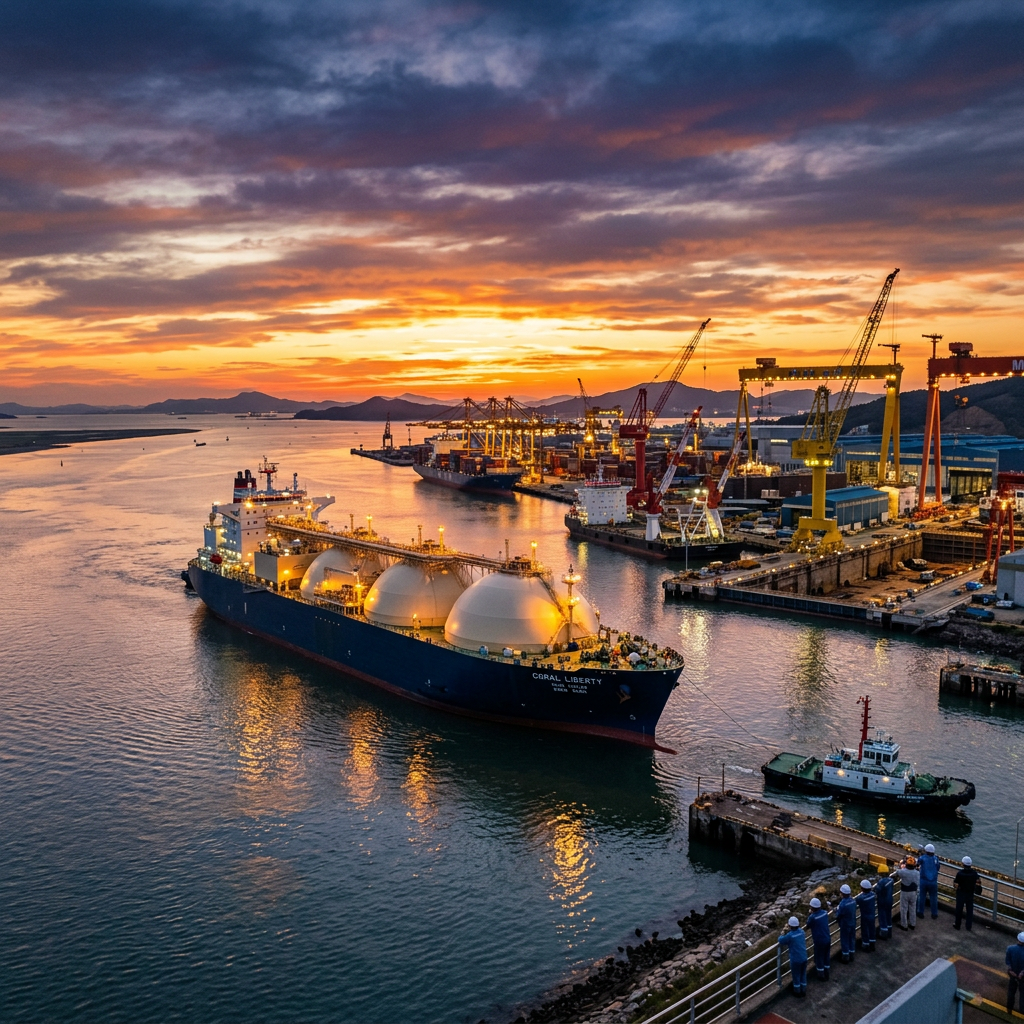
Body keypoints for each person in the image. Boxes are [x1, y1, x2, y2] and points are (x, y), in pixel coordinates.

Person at [778, 916, 808, 997]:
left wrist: (783, 931)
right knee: (803, 974)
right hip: (804, 957)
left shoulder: (790, 936)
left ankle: (797, 992)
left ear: (790, 926)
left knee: (796, 976)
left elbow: (781, 940)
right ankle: (804, 990)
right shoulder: (802, 932)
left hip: (795, 959)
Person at [954, 856, 982, 931]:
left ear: (963, 864)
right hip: (970, 894)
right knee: (969, 911)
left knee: (959, 910)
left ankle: (957, 925)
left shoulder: (960, 873)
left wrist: (956, 889)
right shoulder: (974, 874)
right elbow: (978, 883)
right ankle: (968, 926)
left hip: (961, 893)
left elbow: (955, 884)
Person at [807, 897, 831, 981]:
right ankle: (827, 972)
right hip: (827, 938)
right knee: (826, 955)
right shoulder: (824, 913)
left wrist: (810, 914)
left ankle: (821, 975)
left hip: (819, 941)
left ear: (812, 908)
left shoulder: (812, 917)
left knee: (819, 957)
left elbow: (808, 925)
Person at [896, 856, 920, 930]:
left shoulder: (903, 871)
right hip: (914, 892)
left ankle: (904, 925)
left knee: (904, 908)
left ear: (906, 864)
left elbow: (897, 871)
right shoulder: (917, 873)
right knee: (913, 908)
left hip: (905, 892)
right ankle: (913, 924)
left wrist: (900, 865)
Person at [836, 883, 858, 962]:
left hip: (845, 924)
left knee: (844, 940)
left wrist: (836, 911)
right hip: (852, 922)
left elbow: (838, 914)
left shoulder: (843, 904)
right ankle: (852, 954)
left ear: (842, 893)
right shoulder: (853, 901)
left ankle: (845, 957)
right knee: (851, 938)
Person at [918, 843, 940, 920]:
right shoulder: (936, 859)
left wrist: (920, 854)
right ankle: (934, 914)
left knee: (922, 897)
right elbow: (938, 868)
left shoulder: (922, 858)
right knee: (933, 898)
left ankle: (920, 912)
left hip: (923, 880)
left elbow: (917, 863)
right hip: (933, 881)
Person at [856, 879, 877, 951]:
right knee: (872, 929)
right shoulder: (873, 895)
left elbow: (856, 902)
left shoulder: (861, 898)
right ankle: (872, 943)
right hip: (872, 914)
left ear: (862, 888)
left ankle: (866, 945)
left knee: (865, 930)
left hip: (865, 916)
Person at [1007, 932, 1024, 1016]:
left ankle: (1009, 1010)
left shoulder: (1010, 949)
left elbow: (1008, 961)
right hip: (1023, 977)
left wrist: (1011, 971)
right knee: (1023, 996)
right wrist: (1022, 973)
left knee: (1011, 993)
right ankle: (1022, 1013)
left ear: (1018, 939)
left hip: (1013, 975)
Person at [876, 865, 895, 939]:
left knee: (882, 917)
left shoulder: (881, 882)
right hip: (890, 900)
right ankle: (889, 931)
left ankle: (883, 933)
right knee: (888, 916)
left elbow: (877, 890)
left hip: (882, 902)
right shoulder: (891, 880)